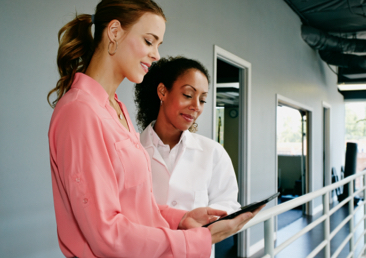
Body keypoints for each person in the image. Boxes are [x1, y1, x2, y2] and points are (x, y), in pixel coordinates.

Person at [47, 1, 262, 257]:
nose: (156, 55)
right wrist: (195, 239)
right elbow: (106, 234)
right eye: (149, 41)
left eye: (158, 45)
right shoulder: (80, 111)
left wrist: (181, 219)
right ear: (114, 32)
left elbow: (135, 208)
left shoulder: (117, 109)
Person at [135, 56, 242, 257]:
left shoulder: (213, 152)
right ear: (162, 92)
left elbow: (228, 204)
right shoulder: (132, 149)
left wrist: (209, 219)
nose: (196, 106)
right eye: (187, 95)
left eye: (202, 99)